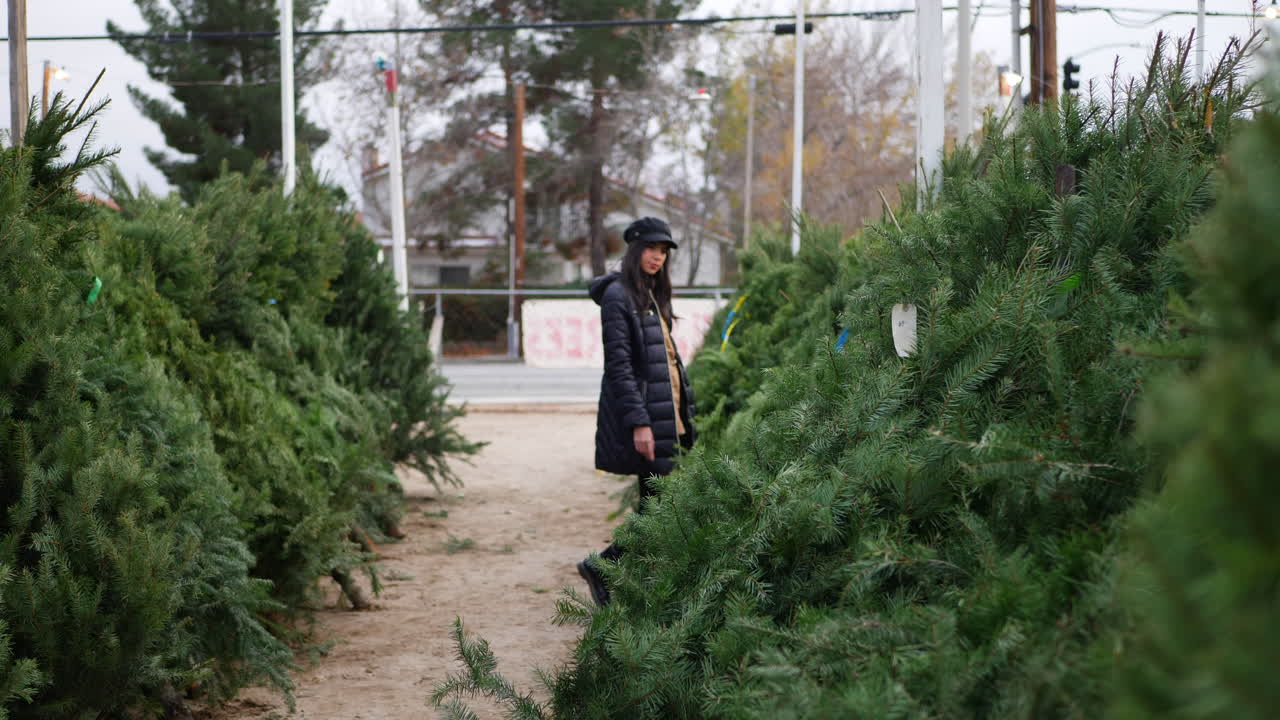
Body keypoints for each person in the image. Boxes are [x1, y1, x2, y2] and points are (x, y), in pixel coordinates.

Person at [577, 217, 696, 607]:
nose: (658, 257)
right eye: (651, 248)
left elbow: (665, 361)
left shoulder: (651, 294)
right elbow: (620, 367)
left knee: (655, 503)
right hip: (649, 420)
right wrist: (640, 423)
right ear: (634, 250)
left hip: (668, 417)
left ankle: (628, 579)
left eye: (664, 251)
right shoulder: (618, 296)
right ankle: (604, 566)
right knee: (657, 504)